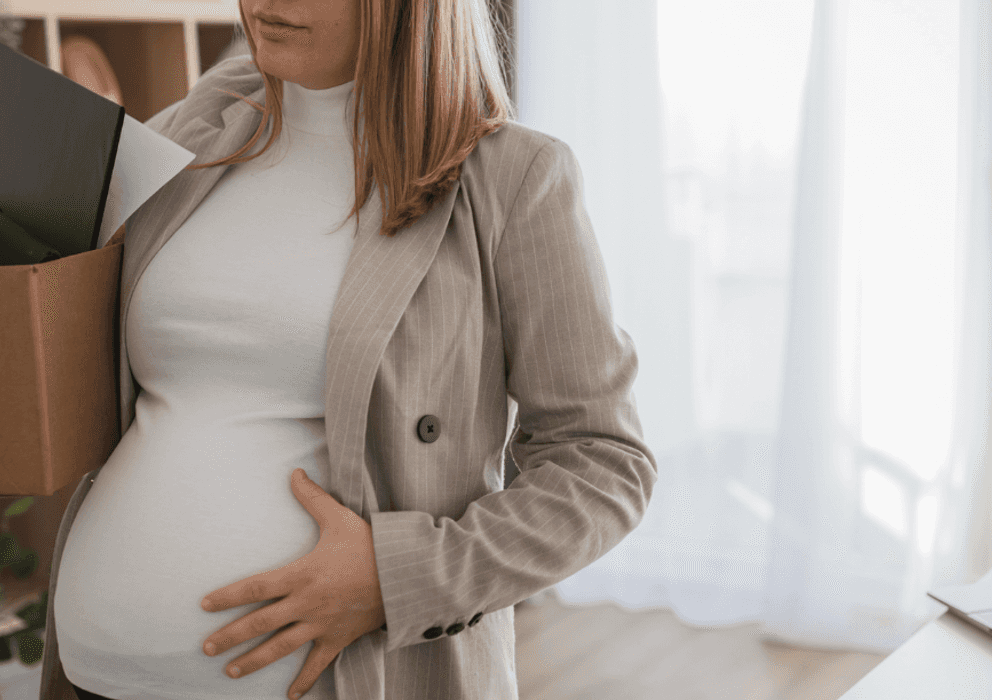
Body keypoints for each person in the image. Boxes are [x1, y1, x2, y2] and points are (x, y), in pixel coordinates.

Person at [38, 0, 659, 698]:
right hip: (95, 675)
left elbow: (603, 461)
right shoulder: (184, 138)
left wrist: (399, 580)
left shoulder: (512, 178)